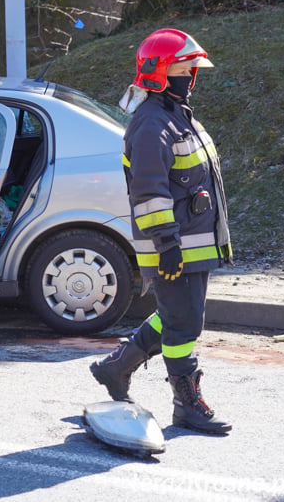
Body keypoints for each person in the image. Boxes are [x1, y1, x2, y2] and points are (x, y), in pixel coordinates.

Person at [90, 28, 232, 434]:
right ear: (159, 72)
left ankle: (116, 369)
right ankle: (185, 402)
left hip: (191, 242)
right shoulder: (151, 125)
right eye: (183, 68)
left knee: (175, 316)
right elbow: (149, 192)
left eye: (192, 70)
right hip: (174, 246)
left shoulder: (176, 115)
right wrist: (168, 245)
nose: (190, 76)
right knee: (184, 325)